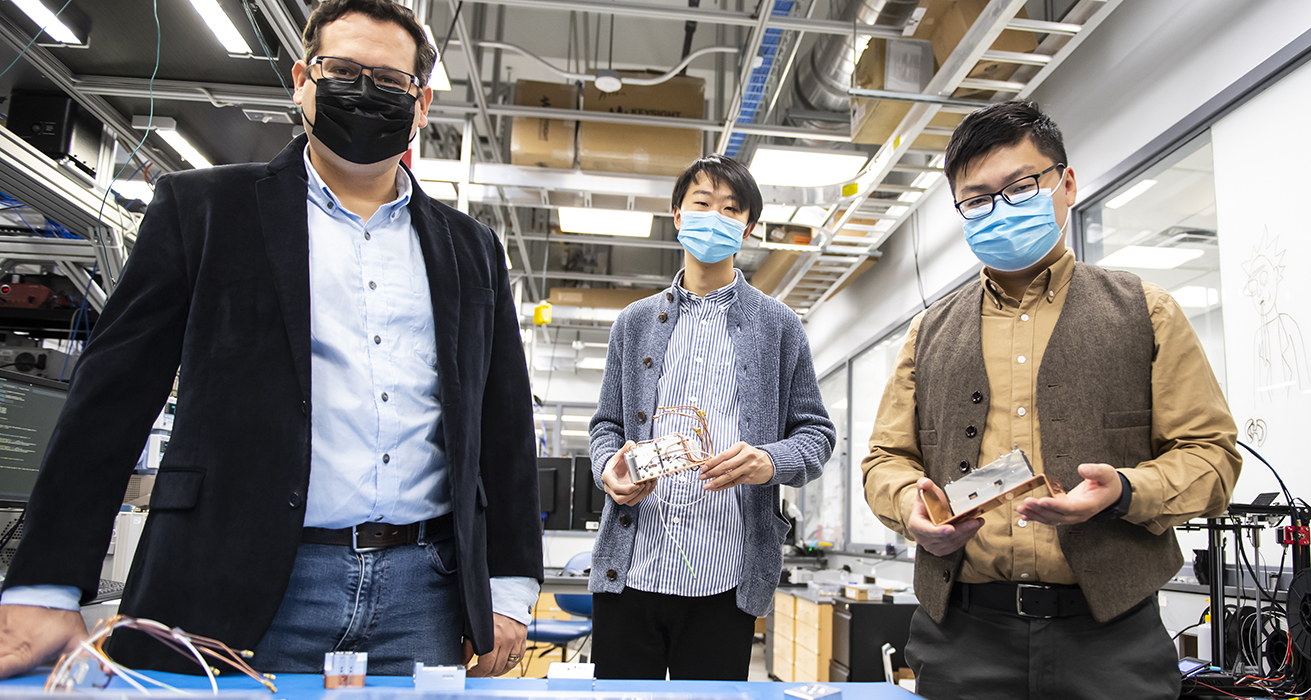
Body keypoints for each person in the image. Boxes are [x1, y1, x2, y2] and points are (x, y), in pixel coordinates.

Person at [0, 0, 540, 678]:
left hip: (423, 590)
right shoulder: (202, 211)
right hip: (235, 572)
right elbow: (109, 402)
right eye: (341, 70)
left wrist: (510, 591)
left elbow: (503, 427)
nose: (363, 91)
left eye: (390, 81)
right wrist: (46, 586)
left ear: (422, 102)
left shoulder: (473, 249)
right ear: (300, 79)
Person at [861, 100, 1242, 700]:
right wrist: (912, 505)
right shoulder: (928, 331)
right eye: (978, 199)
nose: (999, 208)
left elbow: (1211, 456)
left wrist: (1124, 491)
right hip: (962, 638)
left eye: (1020, 185)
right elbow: (886, 459)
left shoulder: (1146, 311)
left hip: (1111, 639)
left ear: (1065, 184)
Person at [586, 154, 835, 680]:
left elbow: (816, 435)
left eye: (731, 209)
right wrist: (609, 466)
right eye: (702, 203)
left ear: (746, 228)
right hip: (631, 571)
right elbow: (606, 425)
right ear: (677, 215)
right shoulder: (633, 324)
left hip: (725, 580)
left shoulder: (779, 326)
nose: (715, 217)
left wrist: (769, 459)